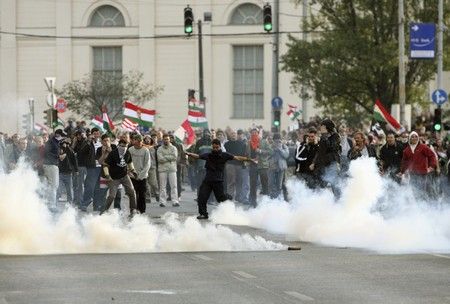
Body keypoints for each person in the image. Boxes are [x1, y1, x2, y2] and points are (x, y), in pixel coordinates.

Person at [185, 138, 256, 220]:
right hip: (207, 181)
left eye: (217, 147)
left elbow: (237, 158)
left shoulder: (224, 155)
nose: (215, 149)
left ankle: (229, 198)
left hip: (218, 181)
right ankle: (203, 214)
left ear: (220, 147)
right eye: (214, 147)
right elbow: (198, 156)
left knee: (221, 199)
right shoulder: (208, 155)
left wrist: (249, 159)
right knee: (201, 197)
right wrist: (189, 154)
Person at [101, 139, 138, 215]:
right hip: (114, 177)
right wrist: (107, 175)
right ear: (118, 145)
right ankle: (104, 211)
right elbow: (105, 165)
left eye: (125, 146)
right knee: (112, 196)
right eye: (121, 146)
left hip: (124, 176)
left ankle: (133, 210)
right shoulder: (113, 153)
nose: (123, 148)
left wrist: (133, 170)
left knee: (132, 191)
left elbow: (130, 162)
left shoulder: (127, 153)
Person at [309, 119, 341, 190]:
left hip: (332, 164)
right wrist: (314, 163)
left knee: (334, 186)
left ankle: (338, 200)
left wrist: (325, 137)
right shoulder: (323, 137)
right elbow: (320, 151)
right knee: (321, 186)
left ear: (326, 126)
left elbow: (333, 148)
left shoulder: (335, 136)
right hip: (323, 164)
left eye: (322, 126)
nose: (320, 128)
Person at [129, 134, 151, 214]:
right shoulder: (130, 150)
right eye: (133, 140)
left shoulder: (145, 150)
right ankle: (134, 210)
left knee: (142, 194)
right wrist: (132, 173)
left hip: (142, 177)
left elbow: (147, 164)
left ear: (139, 141)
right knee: (133, 194)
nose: (134, 141)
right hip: (133, 176)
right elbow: (128, 162)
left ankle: (142, 211)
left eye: (136, 140)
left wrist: (141, 175)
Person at [157, 134, 179, 207]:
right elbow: (160, 159)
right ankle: (162, 202)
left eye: (167, 139)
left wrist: (165, 157)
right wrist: (169, 158)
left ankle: (175, 201)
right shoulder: (159, 149)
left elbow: (175, 157)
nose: (166, 140)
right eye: (165, 139)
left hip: (172, 169)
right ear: (163, 140)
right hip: (162, 169)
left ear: (170, 140)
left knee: (174, 186)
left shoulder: (174, 148)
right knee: (162, 186)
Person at [57, 139, 78, 205]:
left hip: (68, 173)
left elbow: (74, 160)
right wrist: (63, 147)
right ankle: (55, 203)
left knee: (69, 190)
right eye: (64, 143)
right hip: (60, 172)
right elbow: (60, 157)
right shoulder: (59, 149)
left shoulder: (70, 150)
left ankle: (70, 204)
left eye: (67, 143)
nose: (65, 144)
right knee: (59, 189)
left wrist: (76, 170)